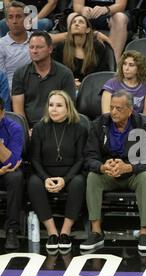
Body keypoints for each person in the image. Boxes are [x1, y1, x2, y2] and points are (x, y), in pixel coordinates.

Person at [81, 90, 146, 251]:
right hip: (109, 173)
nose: (113, 112)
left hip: (132, 174)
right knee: (93, 177)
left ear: (130, 110)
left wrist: (128, 167)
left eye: (119, 108)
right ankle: (96, 232)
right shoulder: (99, 124)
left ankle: (144, 232)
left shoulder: (144, 125)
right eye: (112, 107)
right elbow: (89, 156)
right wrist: (102, 167)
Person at [28, 90, 88, 250]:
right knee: (33, 182)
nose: (53, 109)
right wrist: (45, 178)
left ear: (68, 108)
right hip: (45, 173)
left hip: (70, 173)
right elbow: (34, 159)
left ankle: (65, 232)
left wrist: (65, 179)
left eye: (59, 105)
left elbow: (81, 159)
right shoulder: (40, 127)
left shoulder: (79, 128)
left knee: (79, 182)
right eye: (51, 105)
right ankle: (52, 232)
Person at [11, 30, 76, 128]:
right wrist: (26, 130)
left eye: (39, 47)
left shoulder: (65, 74)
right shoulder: (19, 74)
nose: (34, 51)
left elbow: (68, 107)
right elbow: (18, 109)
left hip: (57, 127)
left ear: (50, 49)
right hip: (29, 128)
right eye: (31, 47)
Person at [52, 14, 115, 91]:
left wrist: (84, 85)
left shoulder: (97, 47)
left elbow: (102, 73)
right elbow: (57, 71)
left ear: (87, 30)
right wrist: (70, 82)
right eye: (74, 22)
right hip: (67, 87)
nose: (76, 23)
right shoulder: (62, 46)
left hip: (92, 88)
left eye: (81, 22)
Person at [0, 97, 24, 249]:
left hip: (7, 173)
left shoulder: (14, 127)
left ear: (2, 114)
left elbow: (13, 163)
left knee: (16, 176)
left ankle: (12, 230)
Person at [101, 50, 146, 115]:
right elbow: (106, 115)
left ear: (139, 68)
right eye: (124, 64)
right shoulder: (111, 84)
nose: (126, 68)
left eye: (131, 65)